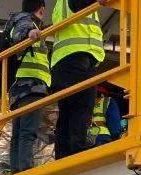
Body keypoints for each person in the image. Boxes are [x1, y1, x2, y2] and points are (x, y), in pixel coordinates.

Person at [49, 0, 104, 158]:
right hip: (77, 58)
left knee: (67, 110)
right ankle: (78, 149)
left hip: (62, 63)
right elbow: (79, 3)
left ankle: (62, 154)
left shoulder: (59, 4)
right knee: (82, 105)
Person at [6, 0, 50, 174]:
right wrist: (30, 33)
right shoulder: (26, 21)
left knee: (19, 132)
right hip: (31, 85)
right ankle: (25, 169)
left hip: (20, 87)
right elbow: (21, 33)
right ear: (41, 9)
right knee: (27, 131)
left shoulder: (17, 21)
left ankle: (16, 170)